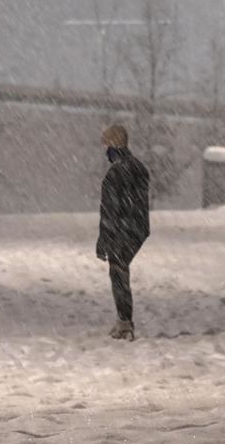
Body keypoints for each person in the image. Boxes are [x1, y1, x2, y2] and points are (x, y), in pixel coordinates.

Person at [96, 124, 150, 341]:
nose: (105, 151)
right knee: (121, 270)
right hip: (139, 228)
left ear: (113, 145)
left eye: (107, 145)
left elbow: (110, 210)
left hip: (122, 229)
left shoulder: (115, 173)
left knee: (118, 272)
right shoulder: (139, 167)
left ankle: (125, 323)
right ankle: (124, 321)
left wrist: (104, 240)